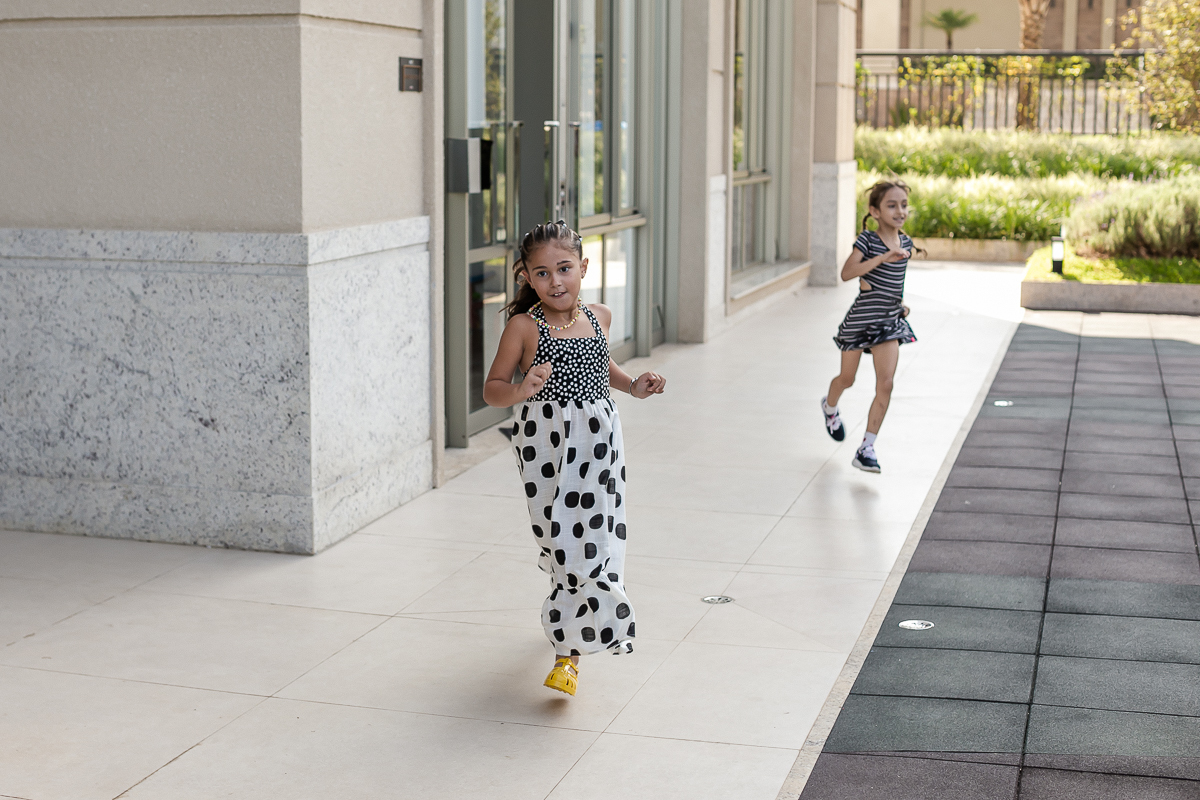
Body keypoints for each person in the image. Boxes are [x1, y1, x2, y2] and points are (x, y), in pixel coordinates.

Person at [483, 220, 666, 697]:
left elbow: (604, 369)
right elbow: (492, 389)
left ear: (583, 267)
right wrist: (522, 389)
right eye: (542, 274)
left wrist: (634, 386)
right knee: (557, 537)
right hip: (545, 448)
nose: (555, 282)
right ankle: (572, 617)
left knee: (590, 541)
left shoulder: (599, 316)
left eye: (564, 269)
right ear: (526, 277)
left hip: (599, 446)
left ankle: (568, 655)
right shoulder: (523, 327)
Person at [821, 180, 918, 473]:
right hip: (861, 320)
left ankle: (867, 447)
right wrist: (882, 258)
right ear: (875, 211)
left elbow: (892, 284)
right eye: (891, 205)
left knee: (885, 384)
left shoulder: (907, 243)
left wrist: (899, 305)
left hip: (889, 322)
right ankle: (829, 406)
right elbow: (848, 273)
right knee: (846, 379)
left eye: (903, 204)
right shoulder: (867, 241)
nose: (900, 211)